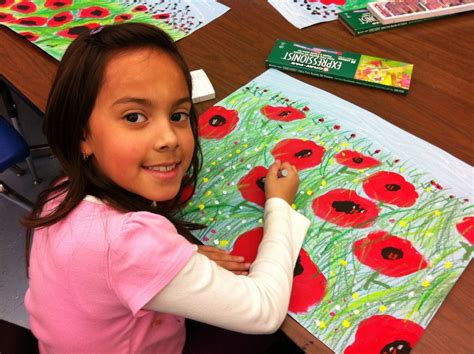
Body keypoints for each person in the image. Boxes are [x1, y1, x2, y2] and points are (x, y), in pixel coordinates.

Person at [23, 23, 310, 353]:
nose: (169, 139)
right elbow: (264, 311)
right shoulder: (129, 243)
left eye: (178, 114)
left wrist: (167, 262)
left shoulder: (65, 186)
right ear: (81, 134)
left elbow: (112, 268)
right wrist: (279, 206)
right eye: (134, 117)